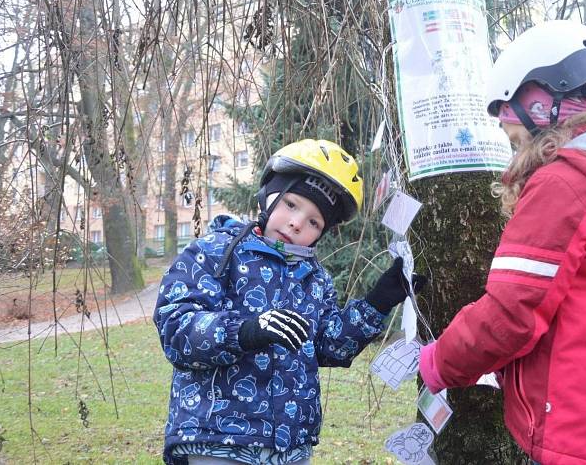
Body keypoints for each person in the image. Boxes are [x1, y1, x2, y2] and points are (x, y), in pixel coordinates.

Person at [418, 20, 586, 465]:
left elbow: (508, 316)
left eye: (515, 139)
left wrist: (437, 362)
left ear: (542, 108)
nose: (514, 153)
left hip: (577, 435)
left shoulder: (564, 186)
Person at [154, 139, 424, 465]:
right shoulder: (215, 253)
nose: (297, 223)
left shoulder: (314, 277)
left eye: (314, 223)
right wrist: (246, 331)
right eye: (292, 205)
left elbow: (328, 345)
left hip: (288, 448)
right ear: (269, 195)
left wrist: (379, 301)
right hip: (217, 439)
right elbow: (177, 328)